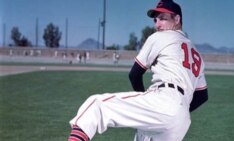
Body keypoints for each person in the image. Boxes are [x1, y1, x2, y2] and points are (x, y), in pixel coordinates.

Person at [68, 0, 208, 140]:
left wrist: (149, 101)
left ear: (177, 19)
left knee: (96, 105)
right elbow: (202, 96)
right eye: (155, 20)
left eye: (163, 18)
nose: (157, 24)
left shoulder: (161, 36)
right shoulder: (197, 54)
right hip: (182, 120)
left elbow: (134, 74)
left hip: (163, 100)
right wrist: (179, 112)